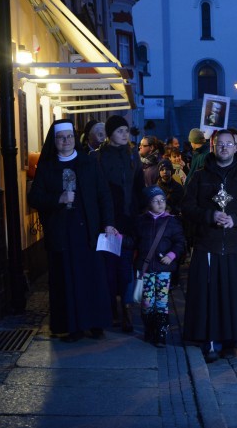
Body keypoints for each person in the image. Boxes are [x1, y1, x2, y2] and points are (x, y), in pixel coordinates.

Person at [182, 129, 237, 363]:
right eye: (220, 144)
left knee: (233, 295)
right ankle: (209, 339)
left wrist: (236, 219)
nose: (224, 148)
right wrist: (210, 216)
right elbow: (187, 207)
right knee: (209, 296)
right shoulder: (200, 176)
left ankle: (231, 339)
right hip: (207, 244)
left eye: (229, 144)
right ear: (213, 146)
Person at [28, 119, 116, 342]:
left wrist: (108, 222)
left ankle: (96, 324)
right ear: (54, 141)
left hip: (89, 231)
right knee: (66, 281)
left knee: (93, 279)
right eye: (60, 137)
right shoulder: (47, 167)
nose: (65, 141)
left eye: (68, 137)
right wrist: (58, 198)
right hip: (62, 233)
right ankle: (72, 327)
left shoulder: (89, 163)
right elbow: (35, 197)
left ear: (74, 139)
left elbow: (103, 194)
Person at [93, 115, 145, 333]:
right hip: (106, 222)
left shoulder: (132, 154)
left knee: (126, 268)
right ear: (110, 133)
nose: (125, 134)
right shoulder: (98, 157)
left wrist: (141, 214)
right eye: (120, 130)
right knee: (108, 269)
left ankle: (126, 310)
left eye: (127, 130)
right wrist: (105, 221)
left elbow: (139, 187)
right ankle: (111, 309)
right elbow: (96, 191)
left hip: (128, 220)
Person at [134, 185, 185, 347]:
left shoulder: (172, 222)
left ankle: (161, 334)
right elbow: (134, 242)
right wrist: (118, 237)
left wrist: (172, 255)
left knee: (162, 302)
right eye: (156, 201)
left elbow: (180, 242)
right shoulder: (141, 221)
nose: (160, 203)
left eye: (162, 200)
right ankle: (150, 329)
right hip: (146, 269)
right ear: (149, 203)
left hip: (164, 271)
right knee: (147, 302)